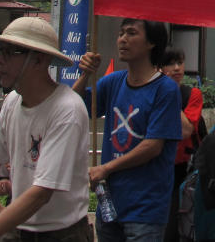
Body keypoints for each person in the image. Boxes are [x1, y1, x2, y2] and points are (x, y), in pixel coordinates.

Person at [0, 16, 91, 241]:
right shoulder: (12, 102)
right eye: (0, 51)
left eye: (10, 52)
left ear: (39, 60)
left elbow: (41, 194)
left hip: (61, 235)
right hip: (18, 228)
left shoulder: (67, 110)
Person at [73, 19, 183, 242]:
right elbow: (73, 108)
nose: (122, 39)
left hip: (145, 210)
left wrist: (106, 168)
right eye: (121, 33)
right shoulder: (113, 82)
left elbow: (153, 146)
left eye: (131, 33)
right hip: (110, 205)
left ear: (151, 43)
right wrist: (85, 74)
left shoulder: (166, 89)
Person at [160, 47, 203, 242]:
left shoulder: (192, 94)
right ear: (159, 68)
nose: (177, 68)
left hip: (183, 169)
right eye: (170, 63)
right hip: (156, 164)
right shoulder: (152, 91)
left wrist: (169, 93)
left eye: (180, 63)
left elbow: (186, 129)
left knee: (178, 222)